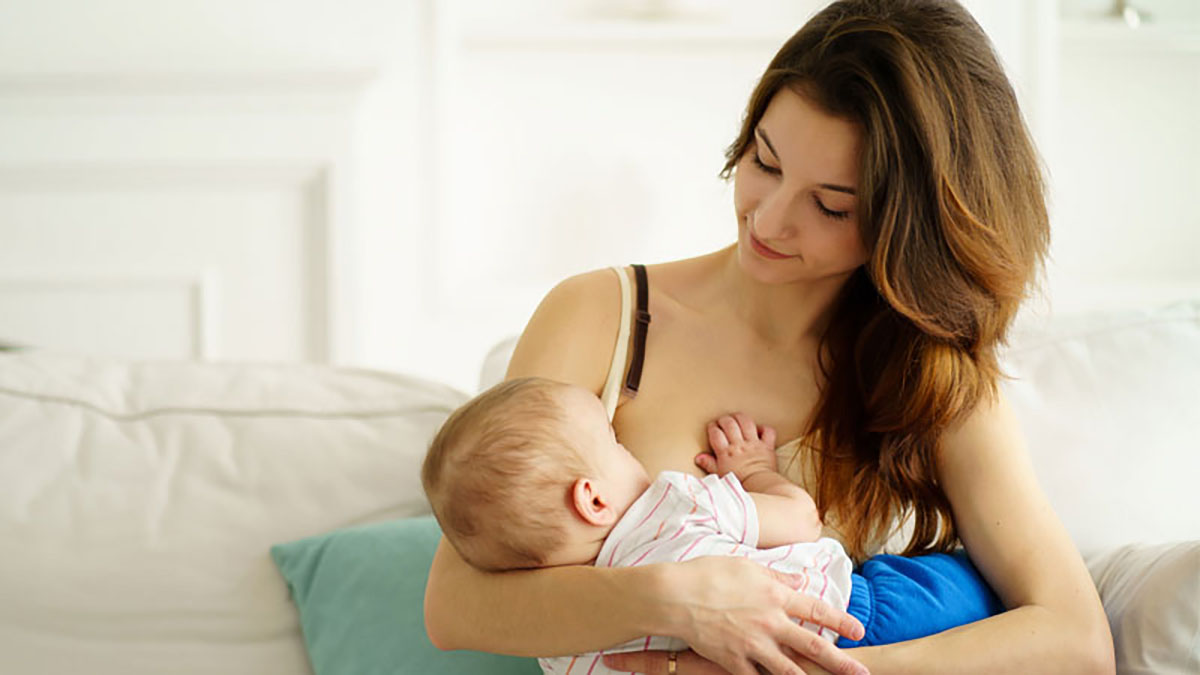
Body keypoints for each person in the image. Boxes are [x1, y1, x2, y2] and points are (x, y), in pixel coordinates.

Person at [424, 1, 1116, 673]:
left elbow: (1075, 640)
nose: (770, 220)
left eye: (830, 204)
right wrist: (683, 598)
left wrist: (822, 668)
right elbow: (455, 604)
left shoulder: (929, 373)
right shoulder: (601, 314)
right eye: (766, 161)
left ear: (908, 225)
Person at [421, 376, 859, 674]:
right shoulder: (674, 506)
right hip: (847, 613)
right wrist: (753, 471)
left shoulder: (559, 650)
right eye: (613, 440)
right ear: (593, 499)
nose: (627, 446)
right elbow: (803, 519)